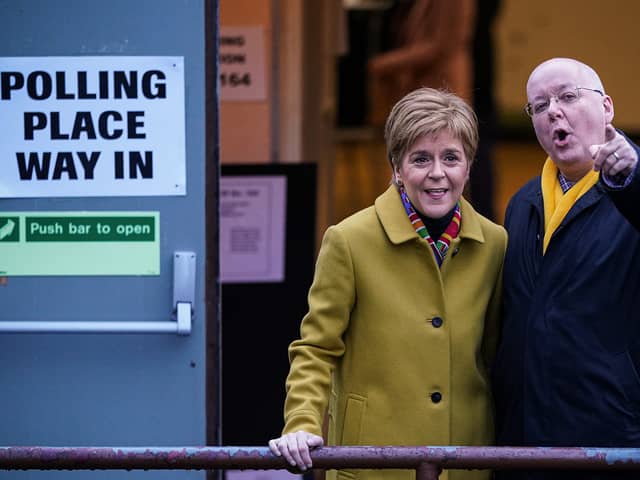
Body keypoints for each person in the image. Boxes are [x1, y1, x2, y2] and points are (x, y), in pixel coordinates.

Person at [269, 87, 507, 480]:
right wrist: (302, 421)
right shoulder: (349, 240)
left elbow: (498, 357)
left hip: (468, 462)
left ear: (468, 166)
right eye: (420, 159)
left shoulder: (495, 244)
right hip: (372, 464)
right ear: (396, 167)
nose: (437, 173)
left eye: (451, 158)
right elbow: (315, 349)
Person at [492, 57, 640, 480]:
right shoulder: (522, 204)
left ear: (607, 107)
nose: (553, 111)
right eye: (539, 106)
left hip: (610, 440)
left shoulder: (632, 185)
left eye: (568, 97)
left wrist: (632, 177)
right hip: (523, 442)